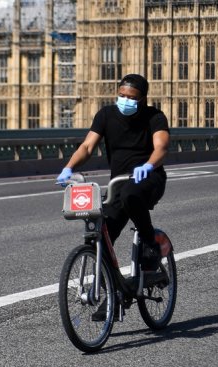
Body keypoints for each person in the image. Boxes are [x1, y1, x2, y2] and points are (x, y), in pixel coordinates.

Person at [56, 73, 170, 272]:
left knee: (130, 195)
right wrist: (69, 167)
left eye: (132, 98)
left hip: (149, 177)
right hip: (118, 182)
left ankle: (150, 242)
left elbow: (161, 147)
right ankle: (114, 292)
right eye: (122, 95)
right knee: (104, 232)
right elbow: (87, 147)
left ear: (143, 99)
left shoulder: (155, 117)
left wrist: (148, 166)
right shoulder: (106, 115)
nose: (125, 100)